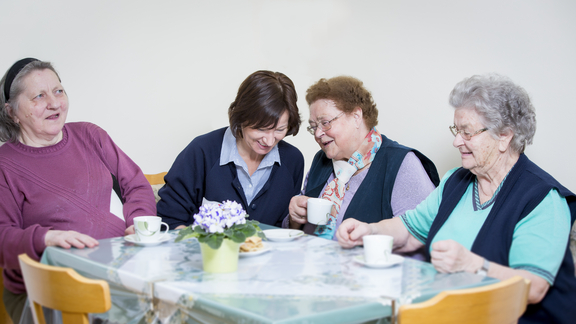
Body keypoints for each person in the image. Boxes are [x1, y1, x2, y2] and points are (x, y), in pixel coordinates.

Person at [337, 74, 576, 324]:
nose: (456, 141)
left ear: (505, 136)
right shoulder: (457, 181)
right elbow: (409, 230)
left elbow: (534, 287)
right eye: (456, 130)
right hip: (448, 313)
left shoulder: (542, 198)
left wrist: (472, 264)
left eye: (467, 132)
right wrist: (368, 231)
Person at [0, 58, 156, 323]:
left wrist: (137, 222)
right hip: (50, 287)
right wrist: (45, 239)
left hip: (119, 270)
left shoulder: (90, 135)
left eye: (58, 91)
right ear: (12, 112)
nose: (54, 103)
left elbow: (137, 184)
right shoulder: (6, 164)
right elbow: (2, 236)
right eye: (39, 96)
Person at [284, 76, 439, 241]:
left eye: (325, 122)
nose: (317, 133)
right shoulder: (321, 161)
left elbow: (422, 236)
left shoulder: (402, 164)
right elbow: (295, 232)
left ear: (356, 116)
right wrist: (294, 218)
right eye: (313, 126)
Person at [157, 70, 304, 228]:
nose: (269, 141)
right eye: (261, 129)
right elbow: (168, 219)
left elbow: (287, 230)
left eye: (279, 130)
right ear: (241, 117)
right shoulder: (201, 152)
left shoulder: (292, 160)